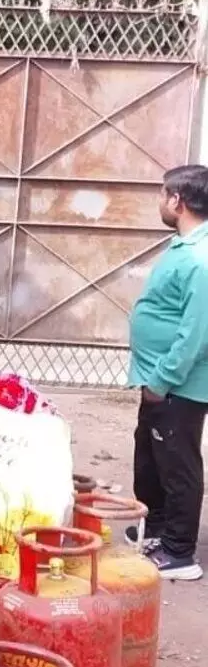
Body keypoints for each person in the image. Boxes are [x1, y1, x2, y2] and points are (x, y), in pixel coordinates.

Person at [128, 164, 208, 581]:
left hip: (178, 384)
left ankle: (180, 552)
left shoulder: (201, 258)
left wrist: (162, 380)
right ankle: (158, 531)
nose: (160, 200)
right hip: (161, 381)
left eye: (163, 193)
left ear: (178, 201)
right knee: (152, 459)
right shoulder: (186, 246)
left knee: (178, 466)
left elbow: (196, 332)